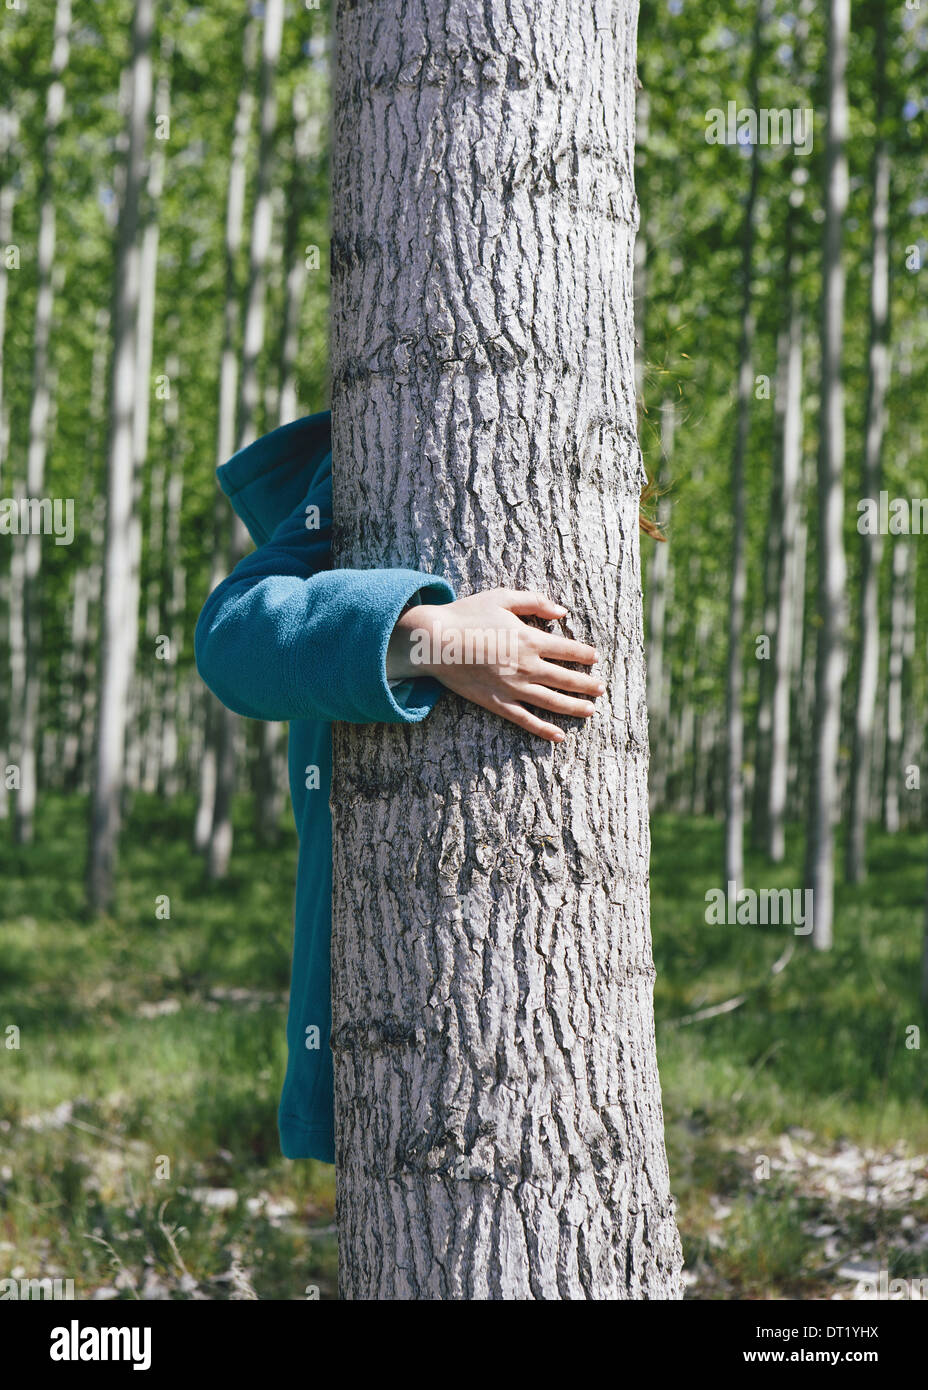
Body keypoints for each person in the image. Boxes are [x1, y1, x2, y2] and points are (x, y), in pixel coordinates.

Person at [194, 409, 605, 1163]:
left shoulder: (605, 446)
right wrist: (430, 637)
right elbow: (233, 638)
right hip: (375, 1026)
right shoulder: (360, 450)